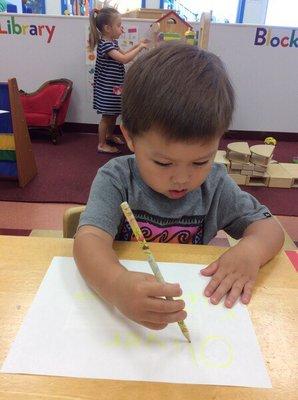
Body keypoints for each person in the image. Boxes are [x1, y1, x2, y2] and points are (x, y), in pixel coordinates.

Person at [74, 42, 284, 331]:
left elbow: (270, 229)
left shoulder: (215, 185)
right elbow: (88, 242)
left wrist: (250, 251)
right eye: (163, 163)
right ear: (130, 137)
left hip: (192, 307)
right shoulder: (117, 179)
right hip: (119, 318)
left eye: (200, 161)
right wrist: (115, 283)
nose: (182, 179)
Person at [89, 7, 148, 153]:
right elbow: (124, 59)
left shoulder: (113, 43)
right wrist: (140, 48)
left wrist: (137, 45)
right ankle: (101, 144)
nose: (122, 28)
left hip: (114, 88)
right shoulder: (106, 45)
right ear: (108, 28)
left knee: (113, 113)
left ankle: (109, 135)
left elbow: (125, 53)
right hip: (106, 89)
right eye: (119, 25)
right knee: (106, 116)